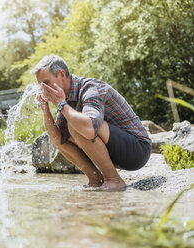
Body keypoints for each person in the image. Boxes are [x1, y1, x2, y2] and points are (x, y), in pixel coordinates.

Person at [32, 55, 151, 190]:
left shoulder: (90, 89)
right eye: (40, 86)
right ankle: (96, 179)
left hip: (137, 151)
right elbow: (57, 140)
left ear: (62, 75)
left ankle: (114, 180)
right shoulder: (66, 99)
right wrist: (45, 108)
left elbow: (90, 130)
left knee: (77, 125)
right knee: (64, 136)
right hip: (117, 152)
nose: (43, 89)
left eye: (46, 83)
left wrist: (61, 104)